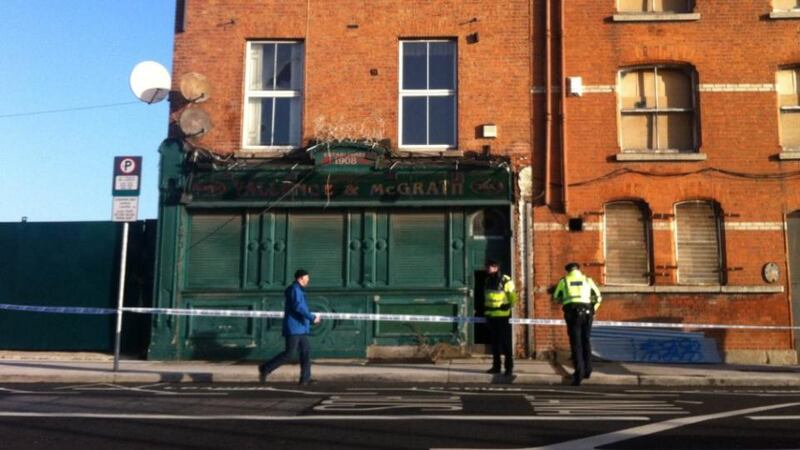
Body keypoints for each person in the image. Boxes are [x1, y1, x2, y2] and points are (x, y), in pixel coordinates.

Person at [258, 269, 321, 385]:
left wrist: (309, 319)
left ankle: (305, 379)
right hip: (294, 327)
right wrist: (312, 318)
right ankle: (265, 368)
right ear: (300, 278)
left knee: (305, 352)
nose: (308, 279)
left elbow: (301, 307)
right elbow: (298, 307)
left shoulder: (299, 290)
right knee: (289, 354)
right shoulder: (294, 289)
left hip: (300, 327)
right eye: (307, 277)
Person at [552, 262, 602, 386]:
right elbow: (598, 297)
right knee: (586, 341)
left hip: (572, 314)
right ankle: (588, 370)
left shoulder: (564, 281)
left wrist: (564, 300)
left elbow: (555, 297)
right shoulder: (587, 280)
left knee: (576, 344)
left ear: (568, 271)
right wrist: (593, 309)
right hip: (587, 313)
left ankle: (579, 373)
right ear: (579, 269)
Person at [483, 259, 518, 378]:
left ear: (497, 267)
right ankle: (496, 366)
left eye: (491, 266)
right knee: (495, 344)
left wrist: (508, 305)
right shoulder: (487, 280)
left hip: (502, 316)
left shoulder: (505, 280)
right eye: (487, 266)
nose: (488, 268)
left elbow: (513, 296)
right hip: (491, 316)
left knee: (506, 344)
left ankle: (509, 368)